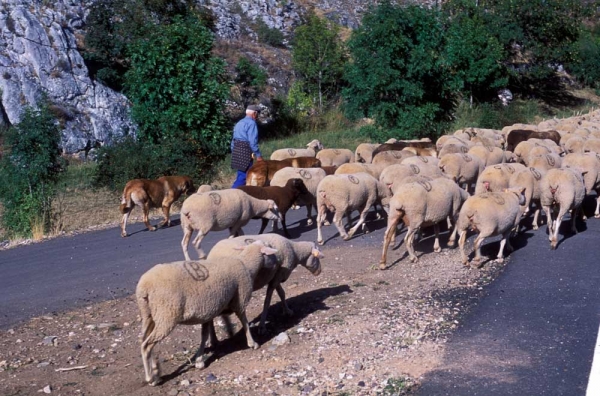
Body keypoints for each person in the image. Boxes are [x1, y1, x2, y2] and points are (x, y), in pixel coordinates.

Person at [231, 105, 264, 188]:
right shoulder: (252, 123)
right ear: (254, 113)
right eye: (257, 114)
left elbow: (233, 139)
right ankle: (232, 193)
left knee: (240, 174)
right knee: (245, 176)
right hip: (245, 151)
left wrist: (234, 151)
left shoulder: (239, 122)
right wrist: (258, 156)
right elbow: (252, 142)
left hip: (236, 150)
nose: (257, 116)